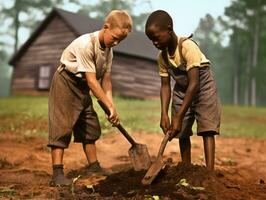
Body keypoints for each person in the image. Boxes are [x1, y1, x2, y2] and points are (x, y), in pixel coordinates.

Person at [47, 10, 133, 187]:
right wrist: (106, 104)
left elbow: (106, 81)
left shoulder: (109, 51)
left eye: (120, 41)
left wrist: (111, 106)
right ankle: (57, 174)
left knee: (89, 123)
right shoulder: (86, 44)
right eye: (115, 38)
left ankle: (93, 166)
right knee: (62, 125)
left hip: (83, 86)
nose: (116, 43)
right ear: (106, 27)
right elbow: (93, 81)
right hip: (66, 82)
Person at [145, 10, 221, 170]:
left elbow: (194, 84)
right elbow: (165, 86)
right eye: (151, 40)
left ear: (169, 29)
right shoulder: (162, 57)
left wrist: (178, 117)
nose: (155, 43)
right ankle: (186, 169)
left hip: (202, 87)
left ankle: (209, 172)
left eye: (157, 38)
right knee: (182, 131)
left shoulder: (187, 47)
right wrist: (164, 113)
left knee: (207, 129)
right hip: (181, 89)